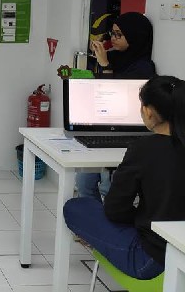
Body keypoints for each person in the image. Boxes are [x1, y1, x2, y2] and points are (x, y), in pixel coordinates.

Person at [64, 75, 185, 279]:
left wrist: (139, 218)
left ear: (148, 111)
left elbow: (115, 210)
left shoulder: (143, 148)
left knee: (75, 207)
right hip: (180, 250)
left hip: (150, 261)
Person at [76, 11, 157, 201]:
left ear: (135, 36)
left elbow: (116, 95)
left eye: (119, 34)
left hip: (125, 134)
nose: (113, 38)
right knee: (84, 182)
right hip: (100, 128)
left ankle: (105, 218)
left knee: (108, 187)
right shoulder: (114, 57)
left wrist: (105, 64)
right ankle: (91, 217)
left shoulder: (144, 67)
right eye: (112, 33)